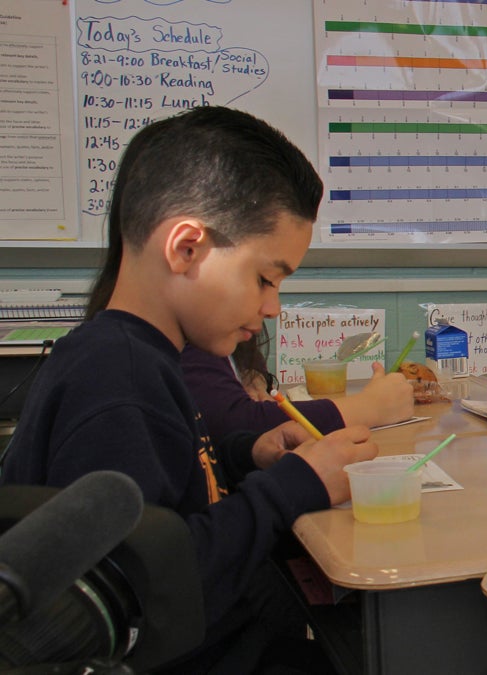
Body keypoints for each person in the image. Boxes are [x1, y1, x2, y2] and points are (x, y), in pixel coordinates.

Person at [0, 106, 379, 672]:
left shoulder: (138, 357)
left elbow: (166, 504)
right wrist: (292, 489)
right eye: (265, 279)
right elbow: (150, 594)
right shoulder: (117, 381)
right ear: (186, 248)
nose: (272, 307)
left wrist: (243, 454)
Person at [181, 333, 415, 442]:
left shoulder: (223, 337)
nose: (273, 308)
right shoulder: (187, 347)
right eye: (264, 280)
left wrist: (251, 375)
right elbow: (239, 423)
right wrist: (370, 406)